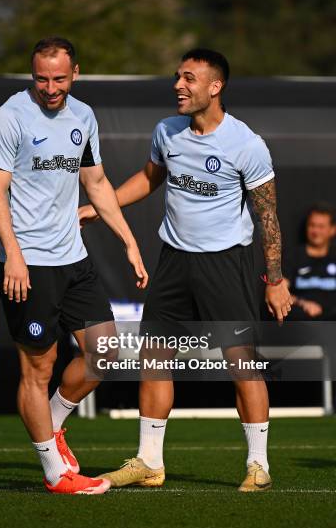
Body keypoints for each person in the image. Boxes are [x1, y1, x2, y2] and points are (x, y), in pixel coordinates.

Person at [79, 48, 292, 492]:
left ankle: (258, 465)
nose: (178, 85)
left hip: (226, 263)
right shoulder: (167, 131)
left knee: (243, 364)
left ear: (215, 87)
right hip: (174, 260)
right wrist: (104, 206)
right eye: (178, 76)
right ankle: (149, 462)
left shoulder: (246, 143)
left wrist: (275, 280)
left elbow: (268, 216)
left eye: (189, 78)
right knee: (155, 358)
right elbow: (150, 177)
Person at [0, 36, 148, 495]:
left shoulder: (84, 116)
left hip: (74, 258)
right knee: (40, 366)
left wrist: (129, 242)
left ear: (76, 72)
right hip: (27, 264)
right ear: (31, 74)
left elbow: (95, 183)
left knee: (106, 353)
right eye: (41, 78)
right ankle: (55, 472)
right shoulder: (11, 117)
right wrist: (12, 254)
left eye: (59, 78)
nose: (50, 87)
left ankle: (53, 422)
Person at [284, 203, 336, 321]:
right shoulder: (293, 256)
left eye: (321, 226)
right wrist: (303, 303)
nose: (315, 231)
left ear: (332, 230)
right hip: (303, 319)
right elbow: (280, 294)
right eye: (312, 225)